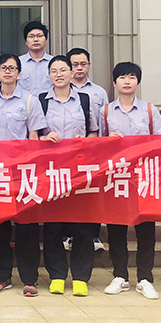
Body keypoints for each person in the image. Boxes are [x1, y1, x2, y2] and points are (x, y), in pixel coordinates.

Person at [100, 62, 161, 300]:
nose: (127, 81)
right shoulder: (105, 111)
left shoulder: (149, 110)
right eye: (122, 77)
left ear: (138, 82)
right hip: (116, 177)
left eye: (131, 77)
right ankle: (120, 275)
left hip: (143, 177)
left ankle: (145, 278)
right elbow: (95, 144)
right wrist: (108, 140)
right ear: (114, 82)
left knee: (146, 230)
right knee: (116, 229)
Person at [0, 53, 47, 296]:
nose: (7, 72)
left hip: (23, 171)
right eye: (3, 68)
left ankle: (30, 278)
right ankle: (2, 276)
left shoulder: (30, 101)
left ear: (19, 73)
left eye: (12, 68)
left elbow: (34, 136)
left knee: (27, 228)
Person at [37, 56, 99, 297]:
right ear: (49, 75)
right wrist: (45, 138)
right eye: (54, 71)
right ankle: (57, 275)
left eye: (63, 70)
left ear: (72, 73)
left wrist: (85, 142)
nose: (59, 74)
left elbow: (94, 132)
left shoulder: (85, 100)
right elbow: (34, 135)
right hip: (51, 170)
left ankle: (81, 276)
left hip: (79, 169)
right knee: (53, 225)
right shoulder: (42, 101)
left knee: (82, 225)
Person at [63, 47, 110, 254]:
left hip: (91, 151)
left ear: (89, 65)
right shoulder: (59, 89)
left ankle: (93, 235)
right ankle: (67, 235)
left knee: (89, 193)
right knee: (66, 194)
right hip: (63, 155)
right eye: (74, 64)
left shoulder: (99, 92)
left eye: (83, 64)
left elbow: (102, 122)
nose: (79, 68)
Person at [18, 20, 52, 96]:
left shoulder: (54, 63)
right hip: (24, 103)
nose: (36, 40)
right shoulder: (18, 63)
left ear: (46, 40)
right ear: (26, 41)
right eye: (31, 36)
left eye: (39, 36)